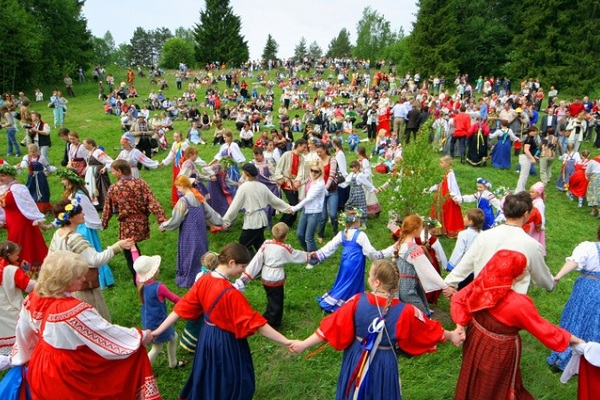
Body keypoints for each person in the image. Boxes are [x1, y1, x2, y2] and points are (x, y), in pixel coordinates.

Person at [289, 259, 465, 400]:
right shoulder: (407, 311)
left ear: (377, 282)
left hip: (356, 356)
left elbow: (331, 327)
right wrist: (452, 335)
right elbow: (429, 329)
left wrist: (304, 344)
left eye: (370, 276)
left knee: (354, 390)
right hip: (384, 360)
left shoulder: (357, 301)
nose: (368, 278)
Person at [9, 251, 160, 400]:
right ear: (64, 280)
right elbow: (105, 333)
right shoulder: (73, 310)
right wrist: (141, 336)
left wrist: (21, 358)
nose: (83, 278)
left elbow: (23, 332)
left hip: (41, 364)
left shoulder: (33, 298)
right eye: (78, 276)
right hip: (66, 372)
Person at [150, 243, 293, 400]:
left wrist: (158, 331)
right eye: (243, 266)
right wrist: (286, 341)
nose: (244, 271)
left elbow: (179, 309)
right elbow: (257, 325)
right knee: (233, 378)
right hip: (225, 341)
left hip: (206, 337)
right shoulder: (231, 293)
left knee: (208, 374)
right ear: (231, 263)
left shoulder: (204, 280)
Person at [451, 250, 583, 400]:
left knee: (473, 371)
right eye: (524, 269)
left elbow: (459, 298)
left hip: (475, 337)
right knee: (494, 384)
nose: (526, 271)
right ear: (517, 274)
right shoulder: (518, 304)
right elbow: (544, 329)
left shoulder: (482, 284)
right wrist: (575, 340)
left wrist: (460, 325)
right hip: (498, 349)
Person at [444, 192, 555, 298]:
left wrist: (450, 282)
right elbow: (541, 276)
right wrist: (550, 284)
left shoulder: (485, 236)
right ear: (526, 213)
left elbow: (466, 263)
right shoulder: (532, 245)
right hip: (508, 304)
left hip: (481, 297)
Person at [50, 198, 133, 321]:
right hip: (82, 289)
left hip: (67, 287)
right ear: (70, 218)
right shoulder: (74, 238)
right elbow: (95, 260)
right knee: (96, 321)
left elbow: (50, 259)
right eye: (79, 212)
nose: (83, 214)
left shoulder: (58, 234)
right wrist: (117, 246)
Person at [314, 209, 394, 313]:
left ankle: (338, 299)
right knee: (351, 282)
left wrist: (318, 254)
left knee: (343, 280)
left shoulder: (342, 233)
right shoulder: (360, 235)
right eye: (359, 219)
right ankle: (347, 302)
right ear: (356, 221)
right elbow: (369, 251)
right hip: (356, 263)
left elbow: (330, 246)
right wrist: (378, 257)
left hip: (345, 261)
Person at [102, 160, 167, 286]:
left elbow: (108, 208)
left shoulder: (114, 188)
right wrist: (162, 220)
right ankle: (143, 271)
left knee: (129, 250)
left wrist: (104, 223)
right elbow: (152, 202)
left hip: (127, 225)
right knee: (133, 247)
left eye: (113, 171)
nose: (112, 173)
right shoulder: (141, 183)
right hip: (141, 222)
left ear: (119, 171)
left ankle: (138, 279)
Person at [238, 222, 312, 328]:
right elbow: (296, 255)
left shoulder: (266, 244)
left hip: (265, 276)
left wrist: (246, 276)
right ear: (286, 236)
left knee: (271, 297)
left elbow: (257, 260)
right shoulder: (284, 249)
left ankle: (268, 315)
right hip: (276, 278)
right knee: (277, 301)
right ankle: (272, 323)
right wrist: (310, 256)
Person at [548, 227, 600, 371]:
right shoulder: (590, 248)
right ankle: (590, 358)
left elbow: (575, 262)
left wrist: (558, 276)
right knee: (595, 323)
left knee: (576, 318)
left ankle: (565, 356)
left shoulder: (589, 248)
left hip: (586, 290)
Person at [159, 176, 223, 288]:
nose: (177, 190)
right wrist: (221, 221)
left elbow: (176, 220)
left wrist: (164, 226)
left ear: (182, 186)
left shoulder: (183, 201)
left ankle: (189, 279)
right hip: (201, 232)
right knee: (201, 253)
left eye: (178, 187)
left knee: (189, 253)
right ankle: (203, 277)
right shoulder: (198, 197)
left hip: (189, 233)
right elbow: (209, 213)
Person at [58, 168, 114, 289]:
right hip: (79, 225)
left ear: (70, 180)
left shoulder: (79, 195)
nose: (62, 182)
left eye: (63, 179)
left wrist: (97, 223)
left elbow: (89, 211)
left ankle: (102, 279)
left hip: (85, 226)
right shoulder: (73, 193)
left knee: (91, 252)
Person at [222, 163, 292, 254]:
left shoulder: (244, 187)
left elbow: (235, 206)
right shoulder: (262, 186)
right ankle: (266, 261)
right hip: (262, 220)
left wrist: (225, 221)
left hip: (253, 221)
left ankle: (252, 265)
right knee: (259, 244)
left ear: (246, 173)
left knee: (243, 245)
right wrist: (288, 208)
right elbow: (274, 200)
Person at [134, 255, 187, 368]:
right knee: (157, 348)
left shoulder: (141, 284)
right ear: (153, 272)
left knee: (173, 337)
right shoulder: (159, 287)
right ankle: (144, 370)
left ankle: (172, 362)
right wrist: (187, 303)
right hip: (159, 323)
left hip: (149, 321)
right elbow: (174, 299)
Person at [393, 215, 449, 316]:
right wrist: (445, 286)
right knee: (423, 316)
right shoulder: (414, 249)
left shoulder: (400, 244)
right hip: (409, 288)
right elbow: (428, 270)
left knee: (409, 314)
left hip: (399, 285)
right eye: (420, 228)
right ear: (415, 230)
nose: (422, 230)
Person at [0, 164, 48, 269]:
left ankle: (28, 271)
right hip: (11, 225)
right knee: (14, 247)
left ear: (11, 175)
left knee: (24, 247)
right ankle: (16, 272)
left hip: (22, 224)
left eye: (3, 175)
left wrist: (40, 222)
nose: (0, 178)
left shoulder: (17, 188)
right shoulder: (4, 188)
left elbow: (29, 205)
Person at [179, 251, 219, 353]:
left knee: (195, 325)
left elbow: (194, 289)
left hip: (199, 304)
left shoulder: (199, 275)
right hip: (209, 306)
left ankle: (191, 343)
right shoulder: (217, 278)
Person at [0, 241, 34, 356]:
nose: (18, 257)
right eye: (17, 255)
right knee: (18, 333)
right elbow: (29, 286)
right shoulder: (12, 271)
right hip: (11, 306)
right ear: (9, 255)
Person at [291, 161, 327, 260]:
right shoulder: (311, 179)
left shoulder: (320, 184)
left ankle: (314, 258)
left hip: (314, 212)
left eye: (316, 171)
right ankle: (309, 253)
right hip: (306, 210)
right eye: (312, 170)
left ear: (320, 173)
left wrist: (294, 208)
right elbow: (305, 182)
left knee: (308, 237)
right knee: (299, 234)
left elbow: (309, 198)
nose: (313, 173)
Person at [273, 138, 308, 227]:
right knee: (293, 203)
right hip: (286, 181)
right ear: (298, 145)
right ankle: (283, 222)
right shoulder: (287, 154)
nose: (305, 149)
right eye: (303, 147)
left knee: (295, 202)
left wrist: (297, 181)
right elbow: (279, 168)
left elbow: (301, 172)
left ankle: (291, 221)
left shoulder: (302, 158)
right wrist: (279, 177)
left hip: (294, 182)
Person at [429, 155, 464, 238]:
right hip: (440, 194)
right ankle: (438, 229)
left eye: (442, 163)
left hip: (446, 195)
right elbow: (438, 183)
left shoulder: (450, 173)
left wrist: (454, 196)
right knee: (437, 210)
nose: (440, 164)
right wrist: (429, 189)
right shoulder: (443, 173)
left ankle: (447, 229)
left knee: (447, 212)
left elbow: (452, 185)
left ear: (447, 163)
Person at [19, 143, 54, 213]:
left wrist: (51, 171)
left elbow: (47, 167)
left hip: (40, 177)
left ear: (37, 151)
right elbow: (24, 164)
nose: (32, 153)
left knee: (42, 191)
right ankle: (32, 205)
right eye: (31, 152)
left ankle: (43, 207)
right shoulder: (27, 157)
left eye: (34, 152)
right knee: (31, 189)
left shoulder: (41, 158)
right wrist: (22, 165)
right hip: (32, 177)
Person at [315, 143, 339, 243]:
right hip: (321, 192)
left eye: (320, 152)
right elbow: (314, 175)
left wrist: (326, 187)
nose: (319, 154)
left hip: (332, 191)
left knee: (333, 214)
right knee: (323, 216)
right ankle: (320, 234)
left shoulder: (332, 159)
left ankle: (336, 232)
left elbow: (332, 175)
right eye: (317, 152)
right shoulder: (317, 161)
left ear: (325, 150)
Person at [159, 130, 189, 206]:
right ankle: (177, 200)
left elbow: (189, 154)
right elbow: (171, 155)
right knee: (176, 182)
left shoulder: (184, 144)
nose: (175, 138)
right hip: (176, 165)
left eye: (177, 137)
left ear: (181, 137)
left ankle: (185, 199)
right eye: (174, 136)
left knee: (182, 181)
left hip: (182, 166)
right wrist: (164, 162)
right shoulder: (174, 144)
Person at [83, 137, 113, 209]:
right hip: (90, 174)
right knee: (91, 187)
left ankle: (104, 204)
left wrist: (105, 168)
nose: (83, 146)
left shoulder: (98, 152)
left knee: (100, 188)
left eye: (84, 144)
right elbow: (88, 164)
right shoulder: (89, 152)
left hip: (98, 174)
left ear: (90, 144)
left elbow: (110, 161)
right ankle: (94, 204)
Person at [515, 126, 540, 193]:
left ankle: (521, 188)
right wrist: (532, 158)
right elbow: (526, 150)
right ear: (530, 132)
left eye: (536, 131)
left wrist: (534, 157)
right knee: (523, 175)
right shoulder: (529, 139)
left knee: (525, 175)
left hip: (527, 157)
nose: (535, 133)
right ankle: (519, 189)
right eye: (534, 131)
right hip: (526, 158)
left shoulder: (531, 139)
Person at [586, 153, 600, 218]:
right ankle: (594, 211)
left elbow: (588, 171)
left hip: (596, 178)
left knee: (594, 195)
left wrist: (588, 177)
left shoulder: (594, 161)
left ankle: (598, 210)